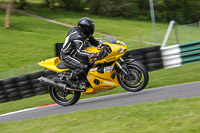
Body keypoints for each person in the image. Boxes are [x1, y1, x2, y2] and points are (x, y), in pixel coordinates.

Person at [60, 17, 101, 84]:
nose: (91, 29)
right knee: (83, 66)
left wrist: (103, 45)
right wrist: (93, 54)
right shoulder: (78, 37)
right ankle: (70, 79)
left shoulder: (84, 33)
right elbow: (80, 52)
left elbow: (94, 42)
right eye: (90, 28)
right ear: (85, 28)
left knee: (91, 62)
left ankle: (84, 80)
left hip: (74, 54)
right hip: (67, 56)